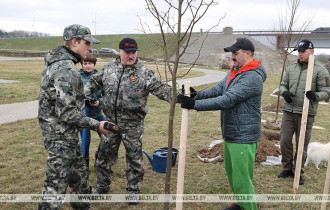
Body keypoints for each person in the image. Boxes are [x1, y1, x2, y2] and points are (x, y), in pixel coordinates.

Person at [177, 38, 266, 210]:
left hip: (244, 136)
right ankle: (240, 204)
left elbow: (228, 99)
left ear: (248, 54)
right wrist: (197, 95)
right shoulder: (237, 70)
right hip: (232, 132)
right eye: (232, 53)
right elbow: (219, 89)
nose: (232, 56)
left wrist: (195, 105)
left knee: (242, 179)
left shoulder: (252, 77)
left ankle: (249, 207)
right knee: (232, 174)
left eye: (235, 53)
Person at [84, 37, 173, 204]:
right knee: (104, 157)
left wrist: (179, 96)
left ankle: (134, 190)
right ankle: (102, 186)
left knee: (134, 159)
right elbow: (93, 83)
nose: (131, 55)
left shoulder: (144, 73)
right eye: (127, 52)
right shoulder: (109, 68)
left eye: (134, 52)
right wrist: (84, 94)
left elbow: (161, 89)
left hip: (133, 125)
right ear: (120, 52)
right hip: (110, 123)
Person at [38, 24, 112, 210]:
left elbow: (62, 101)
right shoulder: (66, 70)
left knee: (80, 181)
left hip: (68, 138)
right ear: (74, 42)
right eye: (87, 43)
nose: (90, 48)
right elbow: (67, 113)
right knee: (54, 192)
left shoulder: (60, 64)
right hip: (60, 140)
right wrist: (97, 124)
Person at [278, 39, 330, 185]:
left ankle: (298, 171)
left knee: (302, 144)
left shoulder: (321, 70)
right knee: (285, 141)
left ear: (311, 52)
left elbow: (327, 90)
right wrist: (285, 93)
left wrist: (316, 96)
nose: (300, 54)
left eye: (303, 51)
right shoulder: (291, 68)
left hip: (307, 113)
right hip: (289, 111)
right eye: (299, 51)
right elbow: (282, 85)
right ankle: (287, 168)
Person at [80, 53, 105, 169]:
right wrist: (85, 100)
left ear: (94, 64)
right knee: (85, 142)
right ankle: (84, 167)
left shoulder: (100, 77)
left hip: (98, 114)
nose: (88, 66)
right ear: (82, 64)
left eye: (90, 63)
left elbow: (107, 96)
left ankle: (99, 159)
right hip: (84, 116)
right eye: (85, 63)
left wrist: (99, 101)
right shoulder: (78, 77)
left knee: (107, 136)